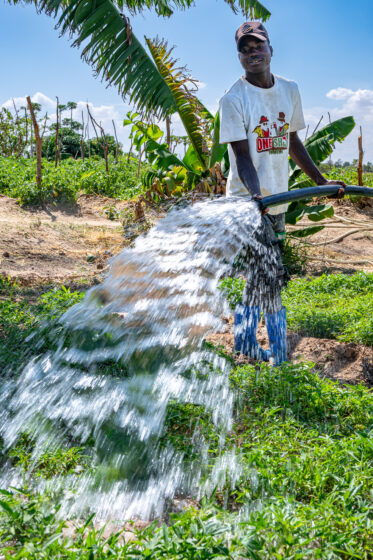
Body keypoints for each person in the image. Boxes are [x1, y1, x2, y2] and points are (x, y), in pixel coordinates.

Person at [219, 21, 345, 365]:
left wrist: (320, 181)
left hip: (278, 201)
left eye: (257, 46)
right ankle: (276, 351)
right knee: (269, 272)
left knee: (261, 275)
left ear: (270, 49)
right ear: (239, 57)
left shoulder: (289, 90)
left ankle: (247, 343)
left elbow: (292, 142)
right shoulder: (232, 99)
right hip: (247, 203)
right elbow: (242, 157)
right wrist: (256, 197)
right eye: (245, 49)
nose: (252, 53)